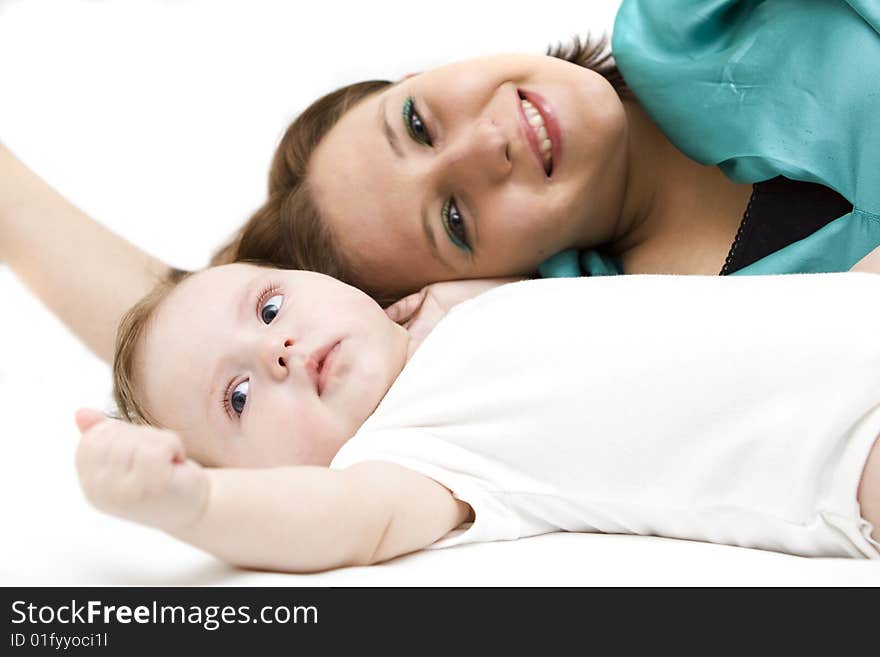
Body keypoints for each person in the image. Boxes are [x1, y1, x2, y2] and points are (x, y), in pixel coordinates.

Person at [74, 263, 880, 572]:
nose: (277, 348)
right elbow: (337, 523)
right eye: (239, 397)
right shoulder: (402, 457)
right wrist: (193, 506)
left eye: (270, 303)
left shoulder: (446, 314)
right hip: (849, 448)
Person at [214, 0, 880, 302]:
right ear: (491, 284)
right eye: (454, 219)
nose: (486, 145)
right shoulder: (671, 343)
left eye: (418, 123)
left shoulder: (687, 16)